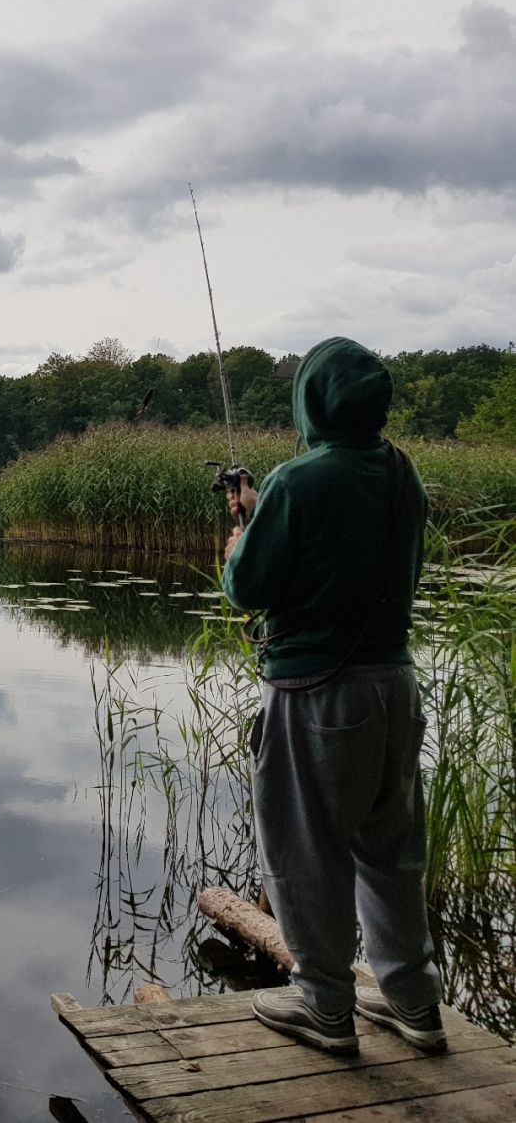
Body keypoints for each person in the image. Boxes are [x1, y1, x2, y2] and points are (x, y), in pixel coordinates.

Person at [221, 336, 444, 1057]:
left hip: (317, 695)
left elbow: (248, 587)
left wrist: (240, 535)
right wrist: (267, 512)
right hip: (395, 687)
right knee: (391, 852)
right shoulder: (402, 473)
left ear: (311, 401)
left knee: (305, 852)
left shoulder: (296, 480)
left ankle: (324, 1008)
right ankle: (414, 1003)